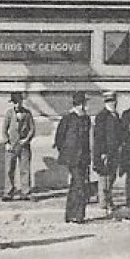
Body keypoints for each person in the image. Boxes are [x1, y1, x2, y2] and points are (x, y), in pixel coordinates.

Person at [55, 92, 93, 224]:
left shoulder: (86, 119)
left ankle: (70, 215)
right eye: (84, 104)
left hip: (83, 158)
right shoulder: (68, 119)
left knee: (75, 185)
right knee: (79, 185)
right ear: (80, 105)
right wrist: (67, 153)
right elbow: (59, 138)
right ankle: (78, 215)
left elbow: (87, 140)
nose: (86, 106)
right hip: (72, 158)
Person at [92, 92, 129, 213]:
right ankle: (103, 202)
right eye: (111, 101)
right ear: (106, 102)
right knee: (104, 177)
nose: (113, 103)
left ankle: (109, 199)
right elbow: (99, 136)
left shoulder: (115, 115)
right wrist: (102, 152)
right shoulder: (102, 116)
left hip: (114, 151)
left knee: (111, 176)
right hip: (105, 152)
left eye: (114, 101)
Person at [1, 92, 36, 201]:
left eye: (19, 102)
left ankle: (25, 191)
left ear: (22, 101)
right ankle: (8, 192)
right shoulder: (9, 113)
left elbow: (32, 129)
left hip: (24, 145)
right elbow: (4, 130)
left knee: (24, 168)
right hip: (11, 145)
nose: (17, 105)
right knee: (9, 169)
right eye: (15, 103)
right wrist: (6, 142)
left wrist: (26, 139)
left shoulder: (27, 113)